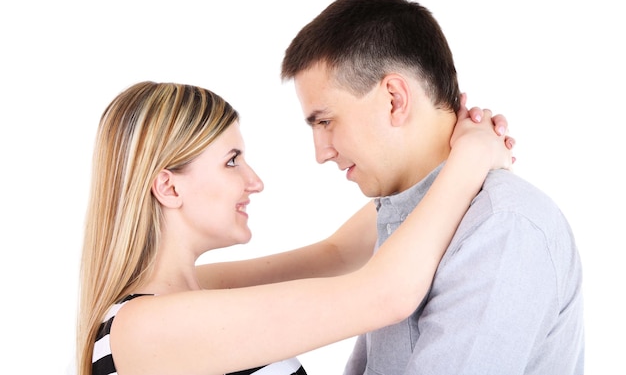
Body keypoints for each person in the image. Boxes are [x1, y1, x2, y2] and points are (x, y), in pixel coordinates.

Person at [76, 81, 513, 375]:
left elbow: (337, 254)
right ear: (168, 187)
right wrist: (470, 158)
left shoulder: (191, 293)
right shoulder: (145, 326)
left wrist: (433, 154)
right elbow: (386, 295)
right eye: (232, 161)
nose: (255, 181)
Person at [277, 0, 584, 374]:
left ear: (394, 98)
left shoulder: (502, 226)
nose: (321, 152)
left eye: (325, 121)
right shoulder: (407, 221)